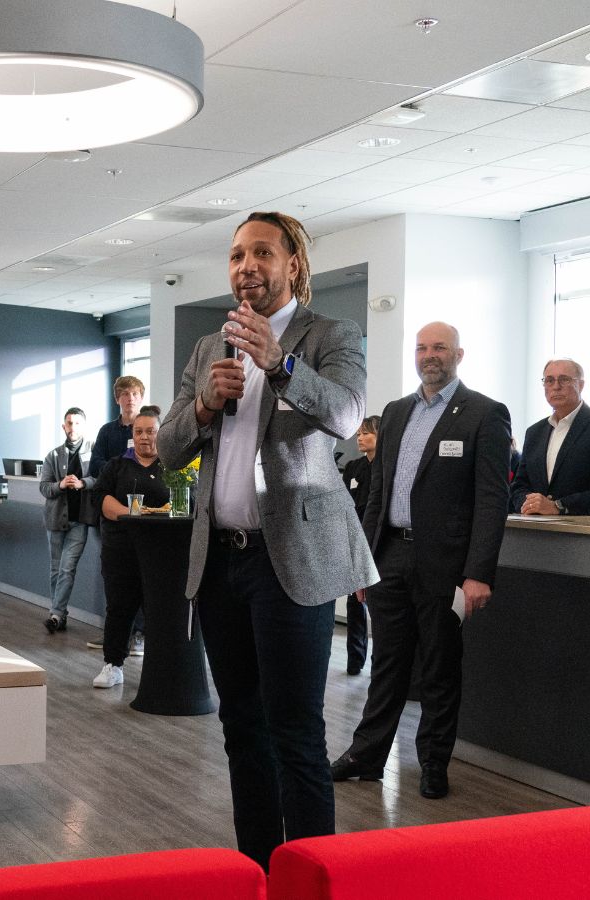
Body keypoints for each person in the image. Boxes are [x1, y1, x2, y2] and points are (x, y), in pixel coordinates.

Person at [157, 211, 374, 869]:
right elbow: (167, 449)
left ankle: (311, 881)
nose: (245, 266)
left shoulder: (330, 334)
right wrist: (201, 406)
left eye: (260, 253)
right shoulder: (207, 349)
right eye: (235, 255)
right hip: (221, 561)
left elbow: (345, 414)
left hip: (292, 562)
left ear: (292, 266)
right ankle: (259, 869)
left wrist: (277, 365)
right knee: (240, 729)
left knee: (296, 733)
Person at [331, 322, 511, 801]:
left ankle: (433, 762)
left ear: (459, 354)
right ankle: (366, 756)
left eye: (440, 348)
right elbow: (377, 495)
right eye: (423, 348)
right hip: (390, 555)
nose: (430, 355)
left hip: (446, 567)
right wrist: (364, 563)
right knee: (386, 664)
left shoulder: (484, 414)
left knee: (438, 667)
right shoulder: (394, 413)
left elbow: (492, 500)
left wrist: (478, 572)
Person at [91, 406, 169, 689]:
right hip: (121, 551)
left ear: (161, 433)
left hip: (161, 555)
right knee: (119, 609)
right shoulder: (116, 465)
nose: (144, 437)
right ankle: (113, 665)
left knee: (160, 612)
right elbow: (99, 498)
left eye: (150, 431)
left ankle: (162, 671)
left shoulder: (173, 466)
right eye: (138, 432)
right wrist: (130, 514)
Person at [510, 359, 590, 524]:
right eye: (549, 380)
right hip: (536, 532)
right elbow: (519, 485)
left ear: (581, 385)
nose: (556, 386)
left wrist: (558, 506)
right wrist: (529, 504)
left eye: (564, 379)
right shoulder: (534, 432)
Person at [88, 375, 148, 653]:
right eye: (125, 394)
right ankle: (115, 634)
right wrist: (120, 467)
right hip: (111, 515)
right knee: (115, 577)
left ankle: (138, 634)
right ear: (118, 399)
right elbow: (95, 465)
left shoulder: (148, 428)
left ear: (141, 397)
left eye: (134, 393)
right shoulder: (107, 431)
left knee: (142, 577)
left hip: (144, 516)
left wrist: (118, 469)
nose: (130, 398)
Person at [38, 407, 98, 634]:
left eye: (77, 423)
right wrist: (60, 485)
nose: (73, 428)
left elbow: (101, 477)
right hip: (55, 520)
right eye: (69, 423)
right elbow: (44, 487)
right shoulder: (52, 455)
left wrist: (84, 483)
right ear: (64, 427)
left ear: (83, 426)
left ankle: (55, 614)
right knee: (55, 569)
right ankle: (59, 616)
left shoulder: (93, 451)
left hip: (79, 521)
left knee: (67, 569)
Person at [339, 416, 381, 675]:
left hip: (377, 541)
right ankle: (355, 660)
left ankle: (380, 664)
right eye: (358, 434)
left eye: (366, 434)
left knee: (378, 604)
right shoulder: (353, 467)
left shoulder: (387, 467)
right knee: (355, 602)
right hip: (354, 539)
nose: (360, 438)